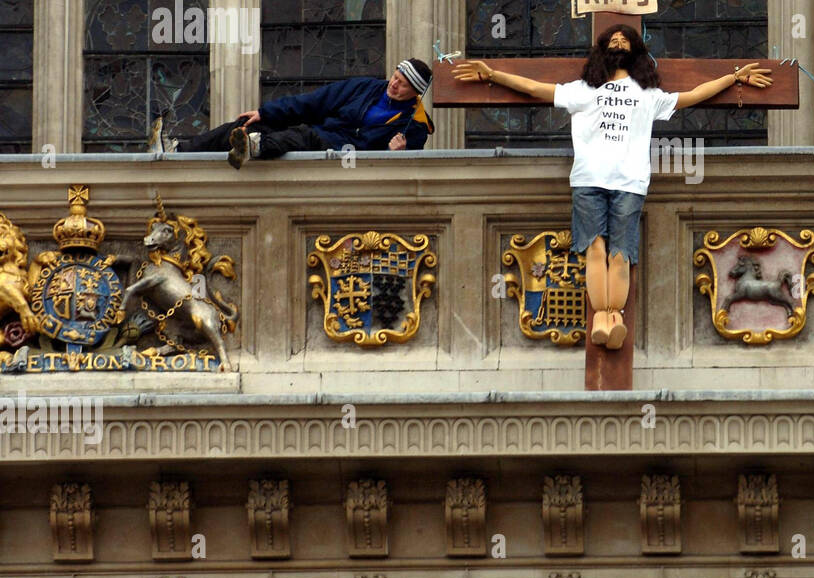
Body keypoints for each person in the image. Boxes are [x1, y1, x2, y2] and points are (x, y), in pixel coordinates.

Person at [453, 25, 771, 350]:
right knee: (595, 248)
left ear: (635, 51)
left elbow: (692, 96)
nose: (618, 45)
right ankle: (600, 318)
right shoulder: (584, 89)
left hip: (629, 181)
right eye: (612, 41)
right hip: (588, 178)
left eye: (624, 41)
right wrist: (493, 74)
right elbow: (536, 88)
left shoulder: (647, 95)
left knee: (621, 254)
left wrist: (733, 78)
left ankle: (613, 315)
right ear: (603, 50)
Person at [175, 59, 434, 169]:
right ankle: (180, 150)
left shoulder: (415, 126)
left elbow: (405, 170)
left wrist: (397, 155)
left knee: (302, 136)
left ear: (415, 92)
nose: (393, 84)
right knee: (247, 123)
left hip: (340, 151)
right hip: (319, 132)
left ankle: (254, 147)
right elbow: (316, 101)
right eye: (395, 77)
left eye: (402, 84)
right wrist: (266, 113)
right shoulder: (367, 87)